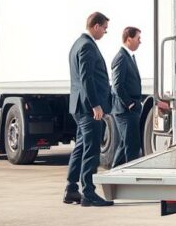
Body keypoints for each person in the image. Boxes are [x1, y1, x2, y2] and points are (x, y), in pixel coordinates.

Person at [64, 12, 114, 207]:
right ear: (96, 26)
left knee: (81, 147)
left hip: (80, 106)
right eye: (104, 28)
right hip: (88, 108)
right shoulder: (87, 46)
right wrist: (95, 105)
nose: (105, 32)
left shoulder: (77, 44)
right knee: (92, 150)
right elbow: (86, 78)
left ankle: (71, 189)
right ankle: (89, 193)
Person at [111, 26, 143, 167]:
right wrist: (129, 103)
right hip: (125, 111)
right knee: (132, 146)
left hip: (130, 109)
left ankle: (114, 173)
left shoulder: (128, 56)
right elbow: (117, 85)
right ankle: (130, 177)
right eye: (138, 38)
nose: (140, 41)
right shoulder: (121, 58)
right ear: (129, 39)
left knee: (125, 145)